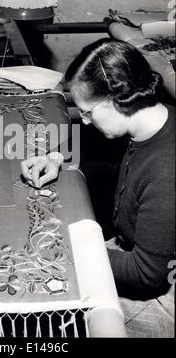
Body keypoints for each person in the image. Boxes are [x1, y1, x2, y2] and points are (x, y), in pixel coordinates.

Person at [20, 38, 175, 337]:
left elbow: (147, 276)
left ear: (118, 99)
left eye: (88, 112)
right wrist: (54, 156)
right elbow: (94, 141)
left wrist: (71, 250)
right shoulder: (154, 116)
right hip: (133, 249)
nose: (86, 122)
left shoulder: (167, 174)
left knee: (45, 314)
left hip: (162, 292)